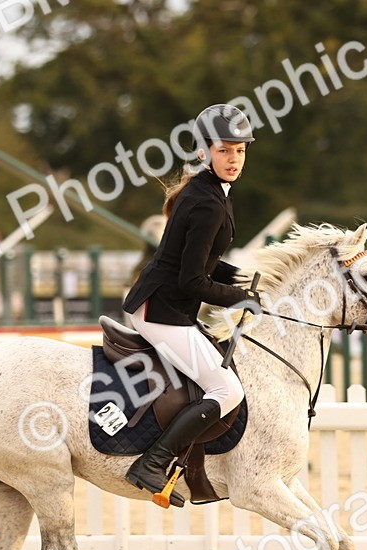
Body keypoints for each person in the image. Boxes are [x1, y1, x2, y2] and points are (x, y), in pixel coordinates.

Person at [121, 103, 262, 503]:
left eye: (240, 150)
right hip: (161, 311)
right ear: (204, 152)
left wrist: (238, 278)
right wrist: (240, 299)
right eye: (224, 150)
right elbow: (191, 279)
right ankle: (151, 462)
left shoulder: (210, 190)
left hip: (167, 305)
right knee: (227, 390)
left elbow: (202, 261)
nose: (233, 159)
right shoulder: (208, 201)